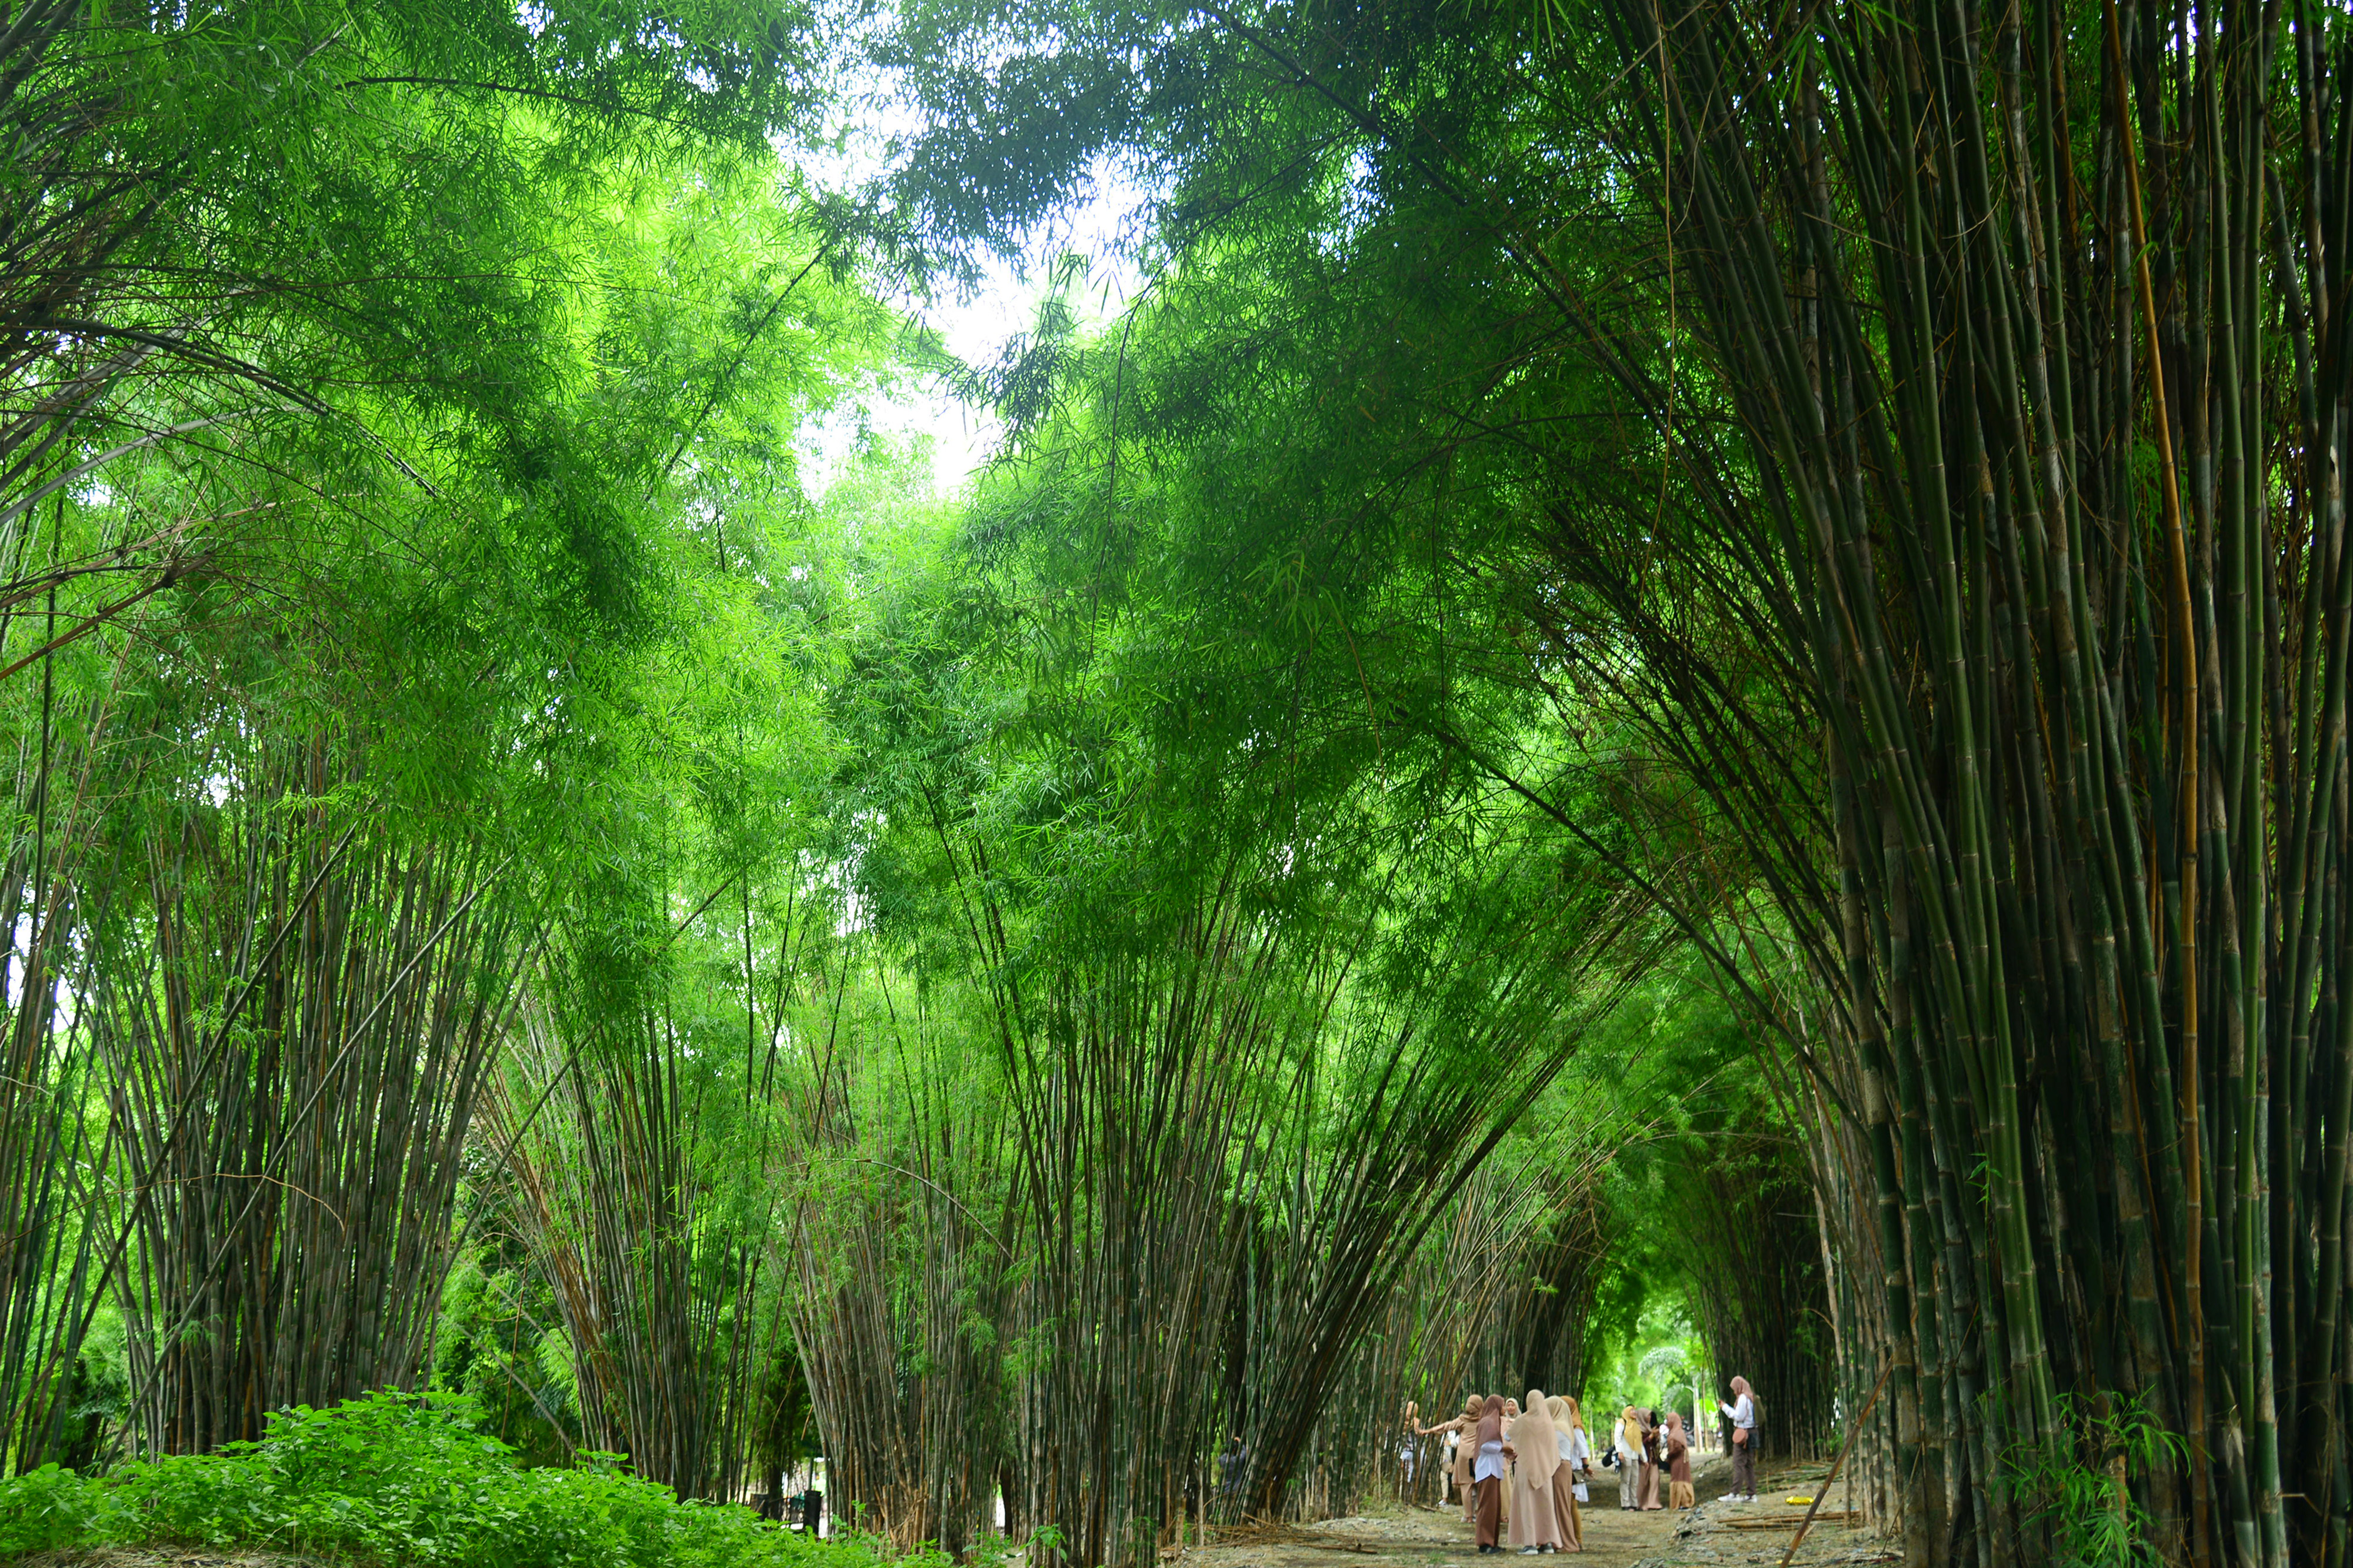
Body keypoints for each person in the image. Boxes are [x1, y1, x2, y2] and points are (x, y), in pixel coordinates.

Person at [1504, 1387, 1564, 1553]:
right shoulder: (1548, 1423)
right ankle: (1547, 1544)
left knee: (1528, 1504)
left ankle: (1530, 1544)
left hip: (1527, 1467)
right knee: (1545, 1505)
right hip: (1545, 1469)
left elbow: (1508, 1436)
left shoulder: (1524, 1420)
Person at [1419, 1396, 1484, 1522]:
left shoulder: (1462, 1420)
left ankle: (1468, 1516)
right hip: (1478, 1455)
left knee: (1466, 1486)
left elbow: (1446, 1426)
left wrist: (1428, 1431)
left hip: (1464, 1455)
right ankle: (1478, 1513)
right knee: (1480, 1485)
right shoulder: (1484, 1420)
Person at [1545, 1394, 1587, 1552]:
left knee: (1566, 1506)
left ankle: (1571, 1540)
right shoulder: (1567, 1425)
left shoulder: (1562, 1427)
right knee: (1567, 1505)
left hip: (1565, 1467)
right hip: (1567, 1467)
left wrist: (1585, 1464)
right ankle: (1571, 1540)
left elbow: (1582, 1450)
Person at [1472, 1394, 1509, 1553]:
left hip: (1493, 1468)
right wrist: (1503, 1449)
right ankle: (1485, 1543)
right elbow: (1486, 1446)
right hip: (1487, 1469)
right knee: (1487, 1507)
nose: (1505, 1408)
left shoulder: (1493, 1421)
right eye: (1503, 1405)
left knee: (1494, 1507)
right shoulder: (1488, 1422)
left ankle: (1492, 1542)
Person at [1717, 1375, 1757, 1502]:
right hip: (1751, 1433)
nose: (1734, 1391)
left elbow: (1739, 1416)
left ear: (1739, 1387)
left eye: (1735, 1388)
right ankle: (1751, 1494)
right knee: (1748, 1465)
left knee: (1738, 1463)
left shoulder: (1743, 1398)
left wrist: (1725, 1408)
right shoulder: (1750, 1397)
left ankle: (1735, 1494)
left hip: (1743, 1435)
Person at [1662, 1411, 1694, 1509]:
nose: (1667, 1422)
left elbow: (1678, 1448)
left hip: (1678, 1460)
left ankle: (1682, 1502)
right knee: (1681, 1477)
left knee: (1678, 1478)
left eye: (1668, 1420)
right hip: (1679, 1460)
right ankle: (1682, 1502)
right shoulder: (1677, 1432)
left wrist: (1669, 1456)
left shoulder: (1676, 1433)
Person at [1614, 1407, 1641, 1509]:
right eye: (1632, 1410)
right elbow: (1617, 1438)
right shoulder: (1621, 1423)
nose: (1634, 1412)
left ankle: (1634, 1503)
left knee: (1635, 1480)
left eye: (1635, 1410)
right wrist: (1619, 1452)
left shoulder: (1635, 1425)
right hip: (1625, 1454)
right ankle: (1625, 1503)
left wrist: (1644, 1458)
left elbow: (1639, 1442)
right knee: (1626, 1480)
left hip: (1634, 1455)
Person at [1638, 1407, 1663, 1510]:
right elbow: (1639, 1445)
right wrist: (1650, 1437)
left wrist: (1656, 1437)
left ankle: (1653, 1502)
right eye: (1648, 1416)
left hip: (1652, 1458)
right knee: (1643, 1482)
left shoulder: (1649, 1428)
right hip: (1643, 1460)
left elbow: (1654, 1444)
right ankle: (1641, 1503)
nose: (1649, 1418)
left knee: (1655, 1479)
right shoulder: (1638, 1430)